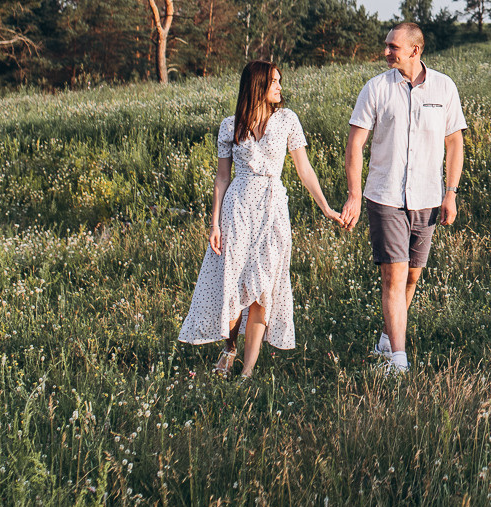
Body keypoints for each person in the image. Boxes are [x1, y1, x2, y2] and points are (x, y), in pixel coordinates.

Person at [179, 60, 346, 377]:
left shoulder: (288, 120)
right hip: (238, 209)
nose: (280, 87)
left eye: (280, 80)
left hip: (272, 209)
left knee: (262, 289)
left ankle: (247, 373)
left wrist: (326, 208)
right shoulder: (231, 125)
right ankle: (228, 350)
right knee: (232, 289)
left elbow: (304, 169)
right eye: (274, 81)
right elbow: (221, 178)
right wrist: (214, 224)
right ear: (257, 85)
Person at [340, 22, 466, 374]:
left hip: (427, 198)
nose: (385, 52)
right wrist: (353, 194)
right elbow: (355, 144)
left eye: (392, 47)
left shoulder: (444, 88)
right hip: (385, 196)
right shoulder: (375, 89)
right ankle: (398, 361)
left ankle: (385, 339)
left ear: (415, 50)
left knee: (411, 276)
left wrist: (451, 193)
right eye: (386, 45)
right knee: (394, 277)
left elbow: (454, 142)